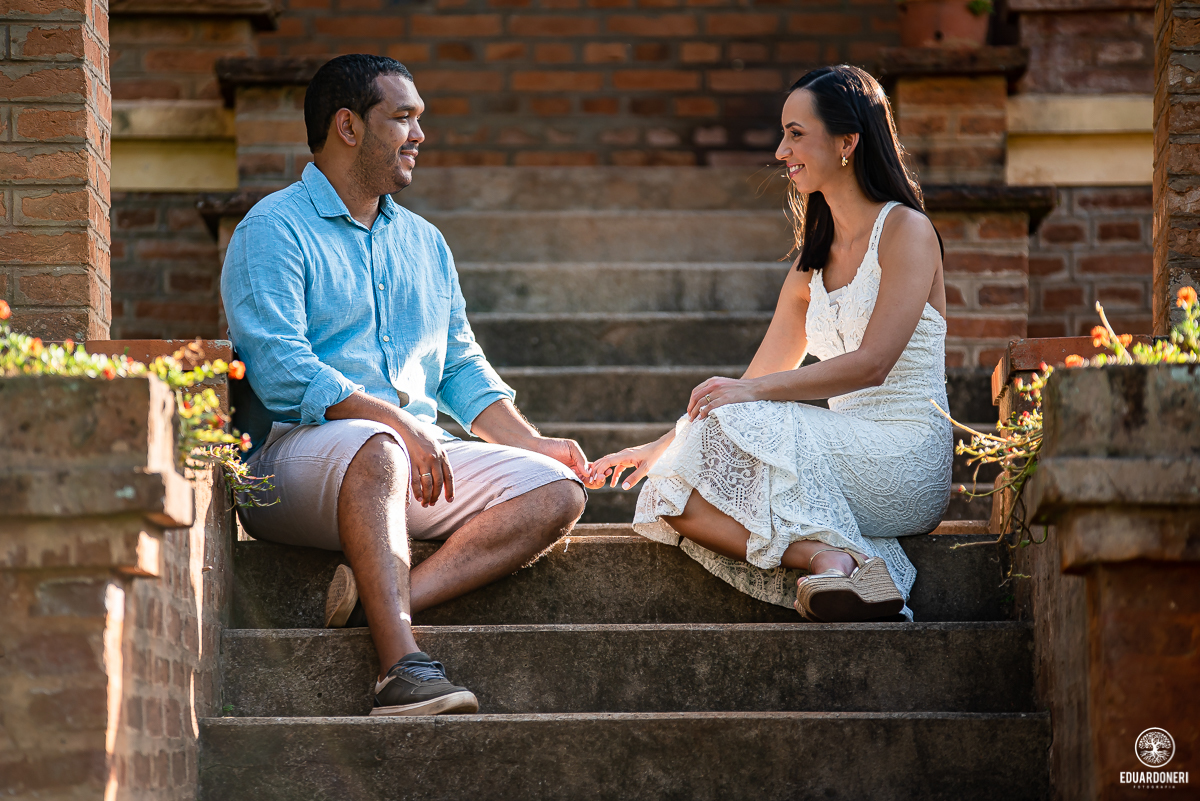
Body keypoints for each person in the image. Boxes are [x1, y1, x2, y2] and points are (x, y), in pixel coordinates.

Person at [221, 54, 589, 716]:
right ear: (348, 127)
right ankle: (401, 669)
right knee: (378, 447)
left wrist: (533, 442)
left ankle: (379, 596)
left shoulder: (425, 243)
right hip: (294, 463)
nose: (419, 133)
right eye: (403, 117)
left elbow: (457, 366)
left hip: (402, 462)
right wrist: (395, 421)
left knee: (556, 491)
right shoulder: (272, 230)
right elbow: (280, 367)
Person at [586, 65, 952, 622]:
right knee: (667, 489)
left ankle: (843, 561)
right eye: (783, 134)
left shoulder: (907, 231)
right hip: (840, 457)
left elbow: (873, 364)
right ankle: (832, 560)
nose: (782, 151)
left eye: (796, 134)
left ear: (848, 141)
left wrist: (742, 396)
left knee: (740, 416)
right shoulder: (812, 265)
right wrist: (659, 447)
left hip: (905, 460)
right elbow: (752, 383)